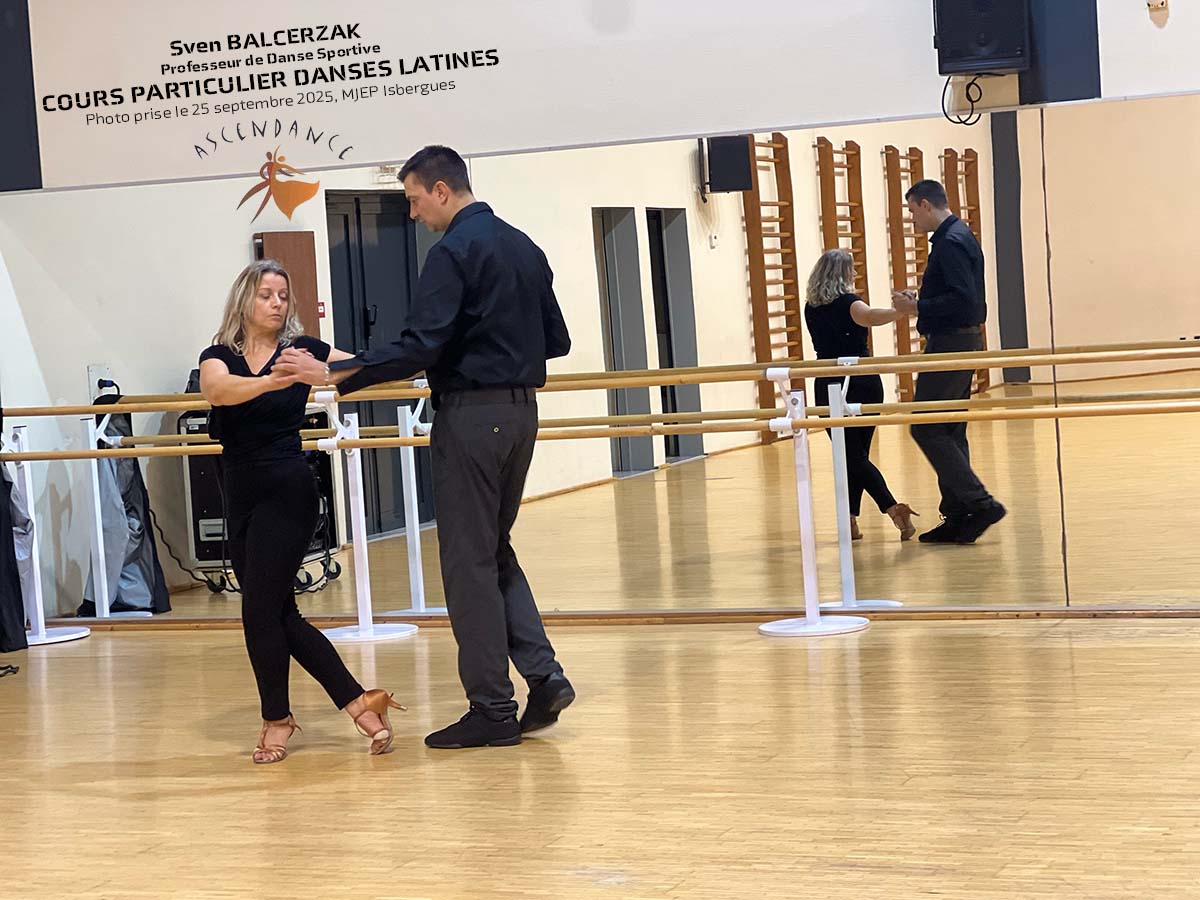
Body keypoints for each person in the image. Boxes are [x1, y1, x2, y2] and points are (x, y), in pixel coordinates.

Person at [274, 145, 575, 750]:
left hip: (473, 419)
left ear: (442, 190)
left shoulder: (455, 252)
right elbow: (557, 340)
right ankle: (543, 676)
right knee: (491, 551)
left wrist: (337, 374)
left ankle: (492, 709)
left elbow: (421, 345)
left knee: (468, 564)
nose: (411, 213)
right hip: (521, 416)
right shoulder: (523, 245)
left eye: (413, 199)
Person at [198, 260, 404, 764]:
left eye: (283, 296)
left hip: (288, 486)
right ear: (244, 300)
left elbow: (366, 366)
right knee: (274, 611)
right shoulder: (218, 355)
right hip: (239, 487)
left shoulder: (304, 349)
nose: (276, 303)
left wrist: (325, 373)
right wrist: (272, 382)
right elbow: (217, 391)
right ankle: (361, 703)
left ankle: (278, 719)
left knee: (258, 610)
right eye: (267, 294)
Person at [891, 179, 1006, 544]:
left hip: (952, 343)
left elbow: (964, 301)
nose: (912, 220)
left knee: (926, 427)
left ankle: (979, 503)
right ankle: (960, 514)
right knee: (949, 429)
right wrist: (921, 301)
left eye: (912, 211)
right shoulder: (955, 236)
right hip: (959, 340)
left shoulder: (952, 242)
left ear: (925, 205)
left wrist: (917, 307)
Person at [804, 249, 918, 541]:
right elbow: (869, 317)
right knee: (854, 455)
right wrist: (900, 312)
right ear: (844, 274)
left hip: (828, 382)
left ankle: (850, 519)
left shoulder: (810, 307)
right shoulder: (849, 303)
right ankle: (893, 508)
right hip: (859, 381)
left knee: (851, 455)